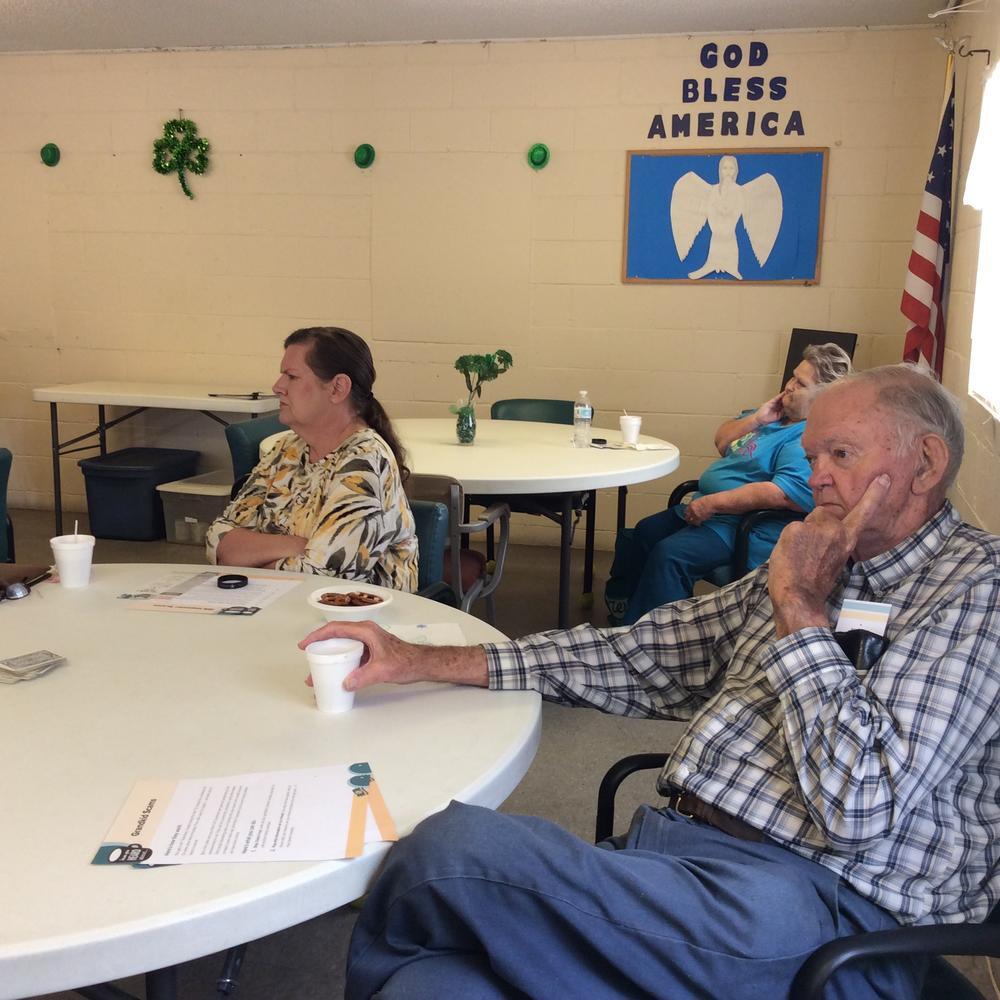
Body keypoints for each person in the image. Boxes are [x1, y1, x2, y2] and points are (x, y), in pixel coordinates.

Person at [302, 365, 1000, 1000]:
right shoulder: (821, 561)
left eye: (839, 455)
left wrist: (801, 612)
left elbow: (858, 807)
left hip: (822, 917)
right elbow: (643, 654)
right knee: (428, 988)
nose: (815, 478)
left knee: (446, 856)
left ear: (924, 464)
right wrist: (422, 661)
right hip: (680, 866)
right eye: (813, 456)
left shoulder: (974, 589)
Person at [606, 342, 853, 625]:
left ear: (823, 398)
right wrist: (757, 419)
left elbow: (783, 494)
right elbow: (722, 440)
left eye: (801, 383)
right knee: (645, 531)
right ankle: (628, 614)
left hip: (740, 525)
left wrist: (713, 503)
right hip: (709, 509)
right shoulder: (773, 418)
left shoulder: (805, 438)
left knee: (671, 556)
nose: (789, 385)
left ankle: (660, 635)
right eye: (793, 376)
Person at [206, 327, 417, 590]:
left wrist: (251, 559)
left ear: (338, 388)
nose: (277, 387)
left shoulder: (365, 461)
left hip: (359, 619)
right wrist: (297, 546)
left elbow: (325, 578)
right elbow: (218, 541)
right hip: (278, 607)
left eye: (291, 376)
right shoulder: (287, 449)